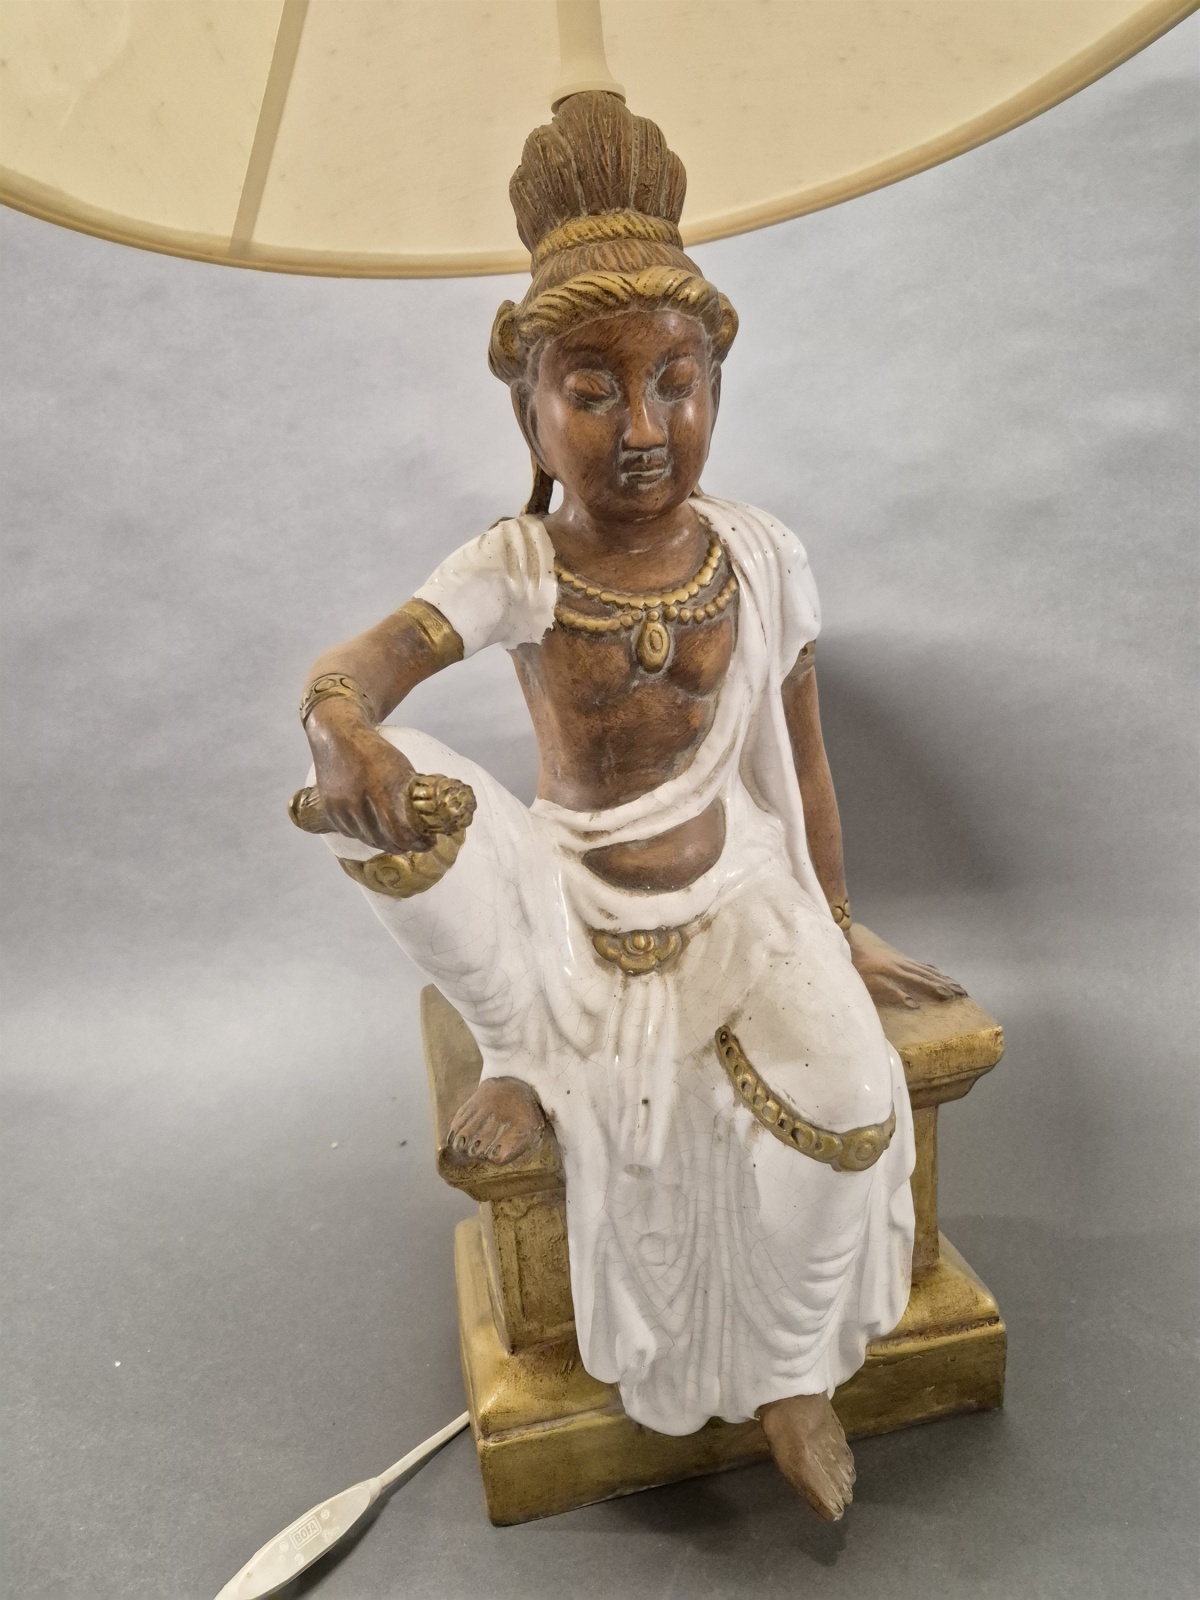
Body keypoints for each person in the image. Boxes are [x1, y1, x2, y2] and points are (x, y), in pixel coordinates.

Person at [298, 92, 962, 1522]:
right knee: (404, 799)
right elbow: (367, 663)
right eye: (593, 391)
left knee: (855, 1105)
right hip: (569, 911)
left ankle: (791, 1375)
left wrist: (841, 924)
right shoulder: (522, 565)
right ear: (528, 408)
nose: (646, 427)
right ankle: (519, 1050)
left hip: (743, 893)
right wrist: (340, 725)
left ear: (719, 381)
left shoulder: (759, 556)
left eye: (677, 380)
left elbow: (805, 760)